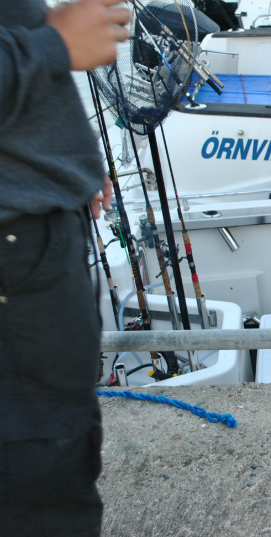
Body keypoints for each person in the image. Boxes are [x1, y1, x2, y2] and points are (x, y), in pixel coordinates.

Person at [0, 0, 129, 535]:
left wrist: (67, 160)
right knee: (41, 474)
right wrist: (51, 46)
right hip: (17, 254)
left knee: (66, 446)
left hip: (40, 231)